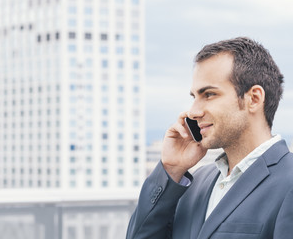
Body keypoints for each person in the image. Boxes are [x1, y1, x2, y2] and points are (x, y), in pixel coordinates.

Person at [125, 37, 293, 239]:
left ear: (254, 99)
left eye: (209, 94)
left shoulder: (288, 183)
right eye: (194, 97)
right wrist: (171, 168)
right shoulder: (194, 183)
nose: (193, 111)